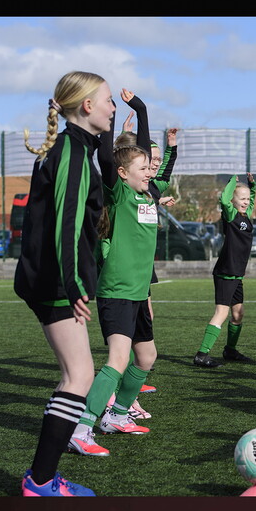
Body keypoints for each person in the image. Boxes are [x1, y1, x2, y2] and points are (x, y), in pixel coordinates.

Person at [14, 70, 117, 496]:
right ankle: (39, 482)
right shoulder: (71, 152)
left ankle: (42, 478)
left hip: (50, 281)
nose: (114, 108)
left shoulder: (76, 147)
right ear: (87, 106)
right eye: (109, 100)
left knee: (73, 375)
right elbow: (66, 227)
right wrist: (75, 286)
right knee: (80, 376)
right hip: (56, 283)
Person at [68, 89, 170, 457]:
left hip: (138, 292)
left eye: (151, 166)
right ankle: (82, 427)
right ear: (124, 174)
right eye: (143, 168)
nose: (150, 170)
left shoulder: (148, 194)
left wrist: (142, 109)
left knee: (147, 358)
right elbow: (110, 157)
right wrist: (117, 126)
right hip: (116, 291)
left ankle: (118, 415)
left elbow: (143, 152)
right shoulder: (121, 193)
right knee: (118, 359)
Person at [193, 172, 256, 367]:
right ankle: (202, 355)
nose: (245, 202)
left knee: (238, 314)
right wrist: (232, 181)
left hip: (237, 274)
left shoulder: (247, 215)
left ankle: (230, 350)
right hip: (226, 272)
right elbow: (223, 198)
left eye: (247, 199)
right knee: (222, 313)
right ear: (233, 200)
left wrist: (251, 187)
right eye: (242, 199)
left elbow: (252, 199)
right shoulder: (230, 214)